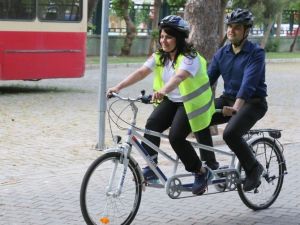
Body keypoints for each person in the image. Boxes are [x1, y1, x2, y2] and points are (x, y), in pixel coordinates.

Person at [107, 15, 218, 195]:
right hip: (173, 100)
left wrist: (163, 90)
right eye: (162, 36)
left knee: (176, 137)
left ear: (179, 38)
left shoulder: (190, 57)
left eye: (168, 37)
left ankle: (201, 171)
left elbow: (180, 76)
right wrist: (118, 87)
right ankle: (151, 166)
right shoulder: (160, 56)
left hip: (192, 103)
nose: (163, 40)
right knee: (152, 124)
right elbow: (142, 71)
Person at [197, 8, 268, 192]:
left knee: (230, 133)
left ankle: (253, 168)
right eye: (229, 26)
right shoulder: (222, 53)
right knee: (198, 119)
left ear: (246, 31)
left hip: (253, 102)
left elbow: (248, 85)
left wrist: (236, 107)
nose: (231, 30)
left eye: (237, 27)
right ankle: (211, 165)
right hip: (228, 99)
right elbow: (207, 81)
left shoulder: (256, 53)